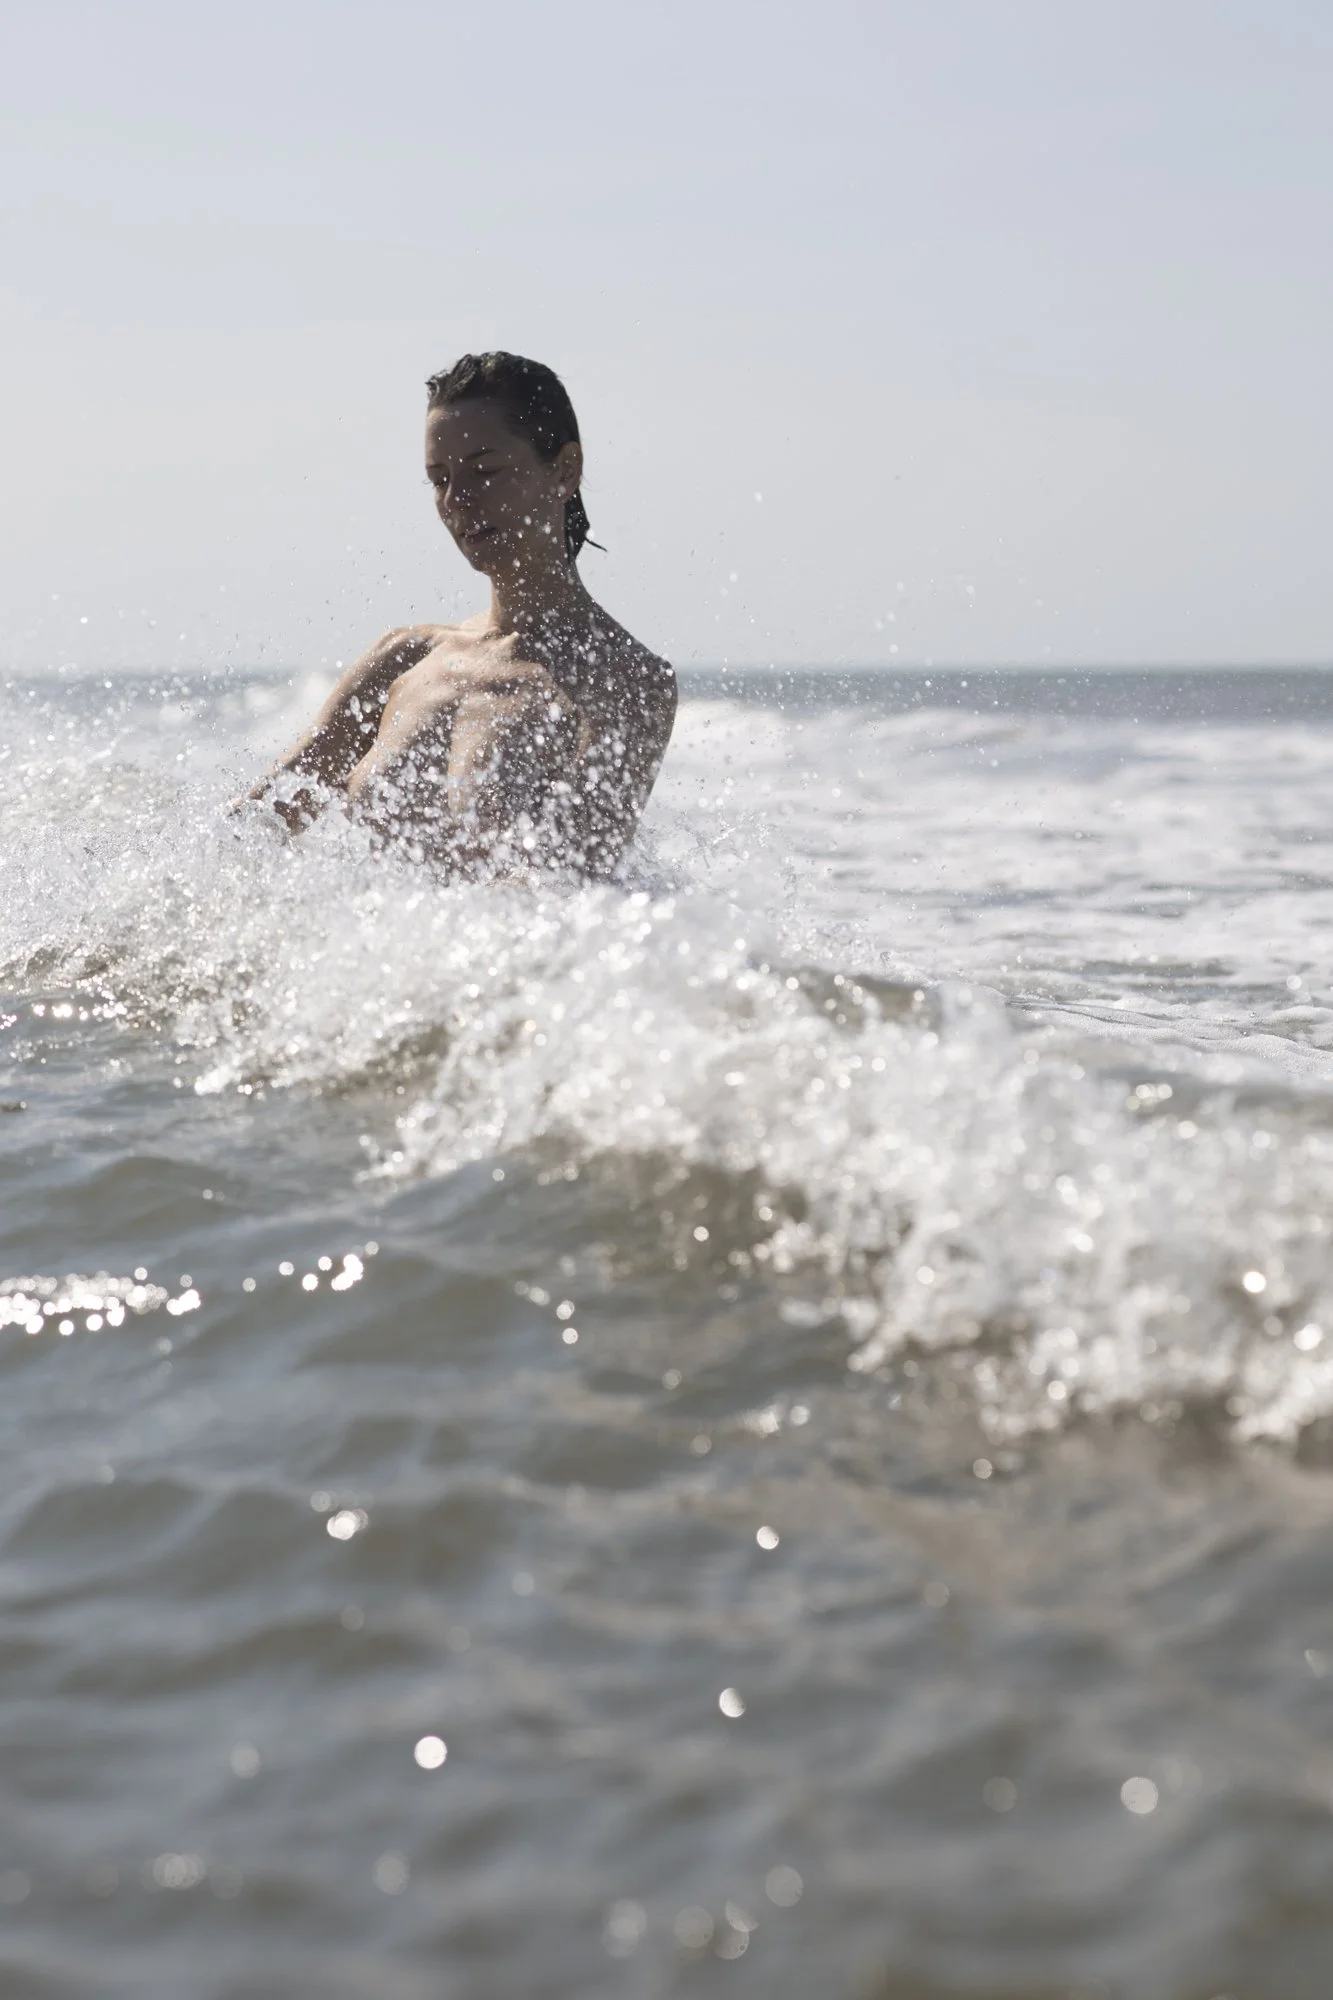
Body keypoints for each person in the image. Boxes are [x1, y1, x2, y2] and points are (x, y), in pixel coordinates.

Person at [245, 352, 676, 877]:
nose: (457, 499)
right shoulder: (403, 658)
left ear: (564, 471)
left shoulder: (623, 681)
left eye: (485, 471)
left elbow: (574, 896)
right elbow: (253, 831)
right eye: (439, 478)